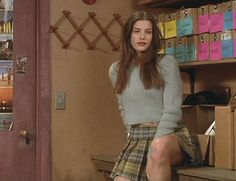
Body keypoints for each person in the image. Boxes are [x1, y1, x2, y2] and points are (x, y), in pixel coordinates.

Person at [108, 11, 202, 181]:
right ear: (128, 35)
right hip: (137, 138)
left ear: (154, 36)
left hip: (169, 134)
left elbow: (172, 109)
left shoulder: (166, 63)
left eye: (148, 32)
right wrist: (132, 138)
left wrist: (154, 146)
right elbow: (123, 108)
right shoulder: (116, 70)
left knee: (158, 151)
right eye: (137, 31)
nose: (142, 37)